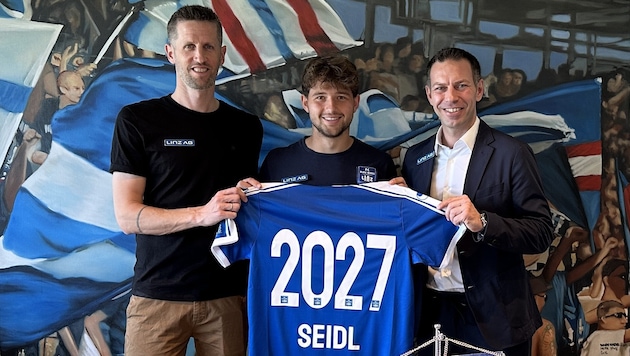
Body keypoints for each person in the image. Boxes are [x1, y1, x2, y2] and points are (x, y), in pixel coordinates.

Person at [109, 5, 262, 356]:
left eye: (209, 47)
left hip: (226, 296)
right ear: (170, 52)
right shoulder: (137, 120)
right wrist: (201, 214)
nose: (199, 56)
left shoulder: (246, 127)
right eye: (189, 46)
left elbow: (247, 208)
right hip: (157, 296)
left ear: (222, 55)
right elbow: (127, 216)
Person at [401, 47, 554, 355]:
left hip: (494, 317)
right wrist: (397, 202)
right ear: (429, 94)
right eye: (441, 88)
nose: (451, 97)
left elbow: (540, 232)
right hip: (428, 315)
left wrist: (482, 222)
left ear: (480, 89)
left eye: (461, 85)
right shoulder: (415, 158)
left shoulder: (512, 153)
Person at [258, 54, 400, 186]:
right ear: (305, 103)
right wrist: (242, 201)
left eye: (341, 97)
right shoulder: (277, 163)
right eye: (320, 97)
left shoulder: (380, 164)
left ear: (355, 103)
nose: (331, 108)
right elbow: (261, 210)